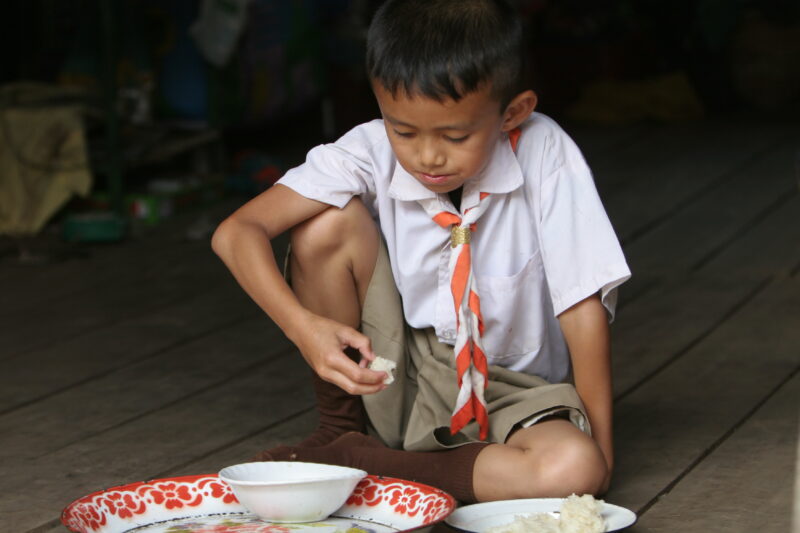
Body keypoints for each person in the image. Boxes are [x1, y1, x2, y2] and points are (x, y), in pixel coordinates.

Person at [211, 0, 630, 504]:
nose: (426, 156)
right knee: (323, 224)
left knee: (572, 469)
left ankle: (361, 462)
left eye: (456, 135)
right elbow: (237, 232)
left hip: (518, 395)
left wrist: (600, 452)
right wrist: (304, 329)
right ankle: (338, 431)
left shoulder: (544, 151)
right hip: (399, 378)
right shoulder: (368, 150)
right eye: (403, 130)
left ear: (513, 112)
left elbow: (581, 304)